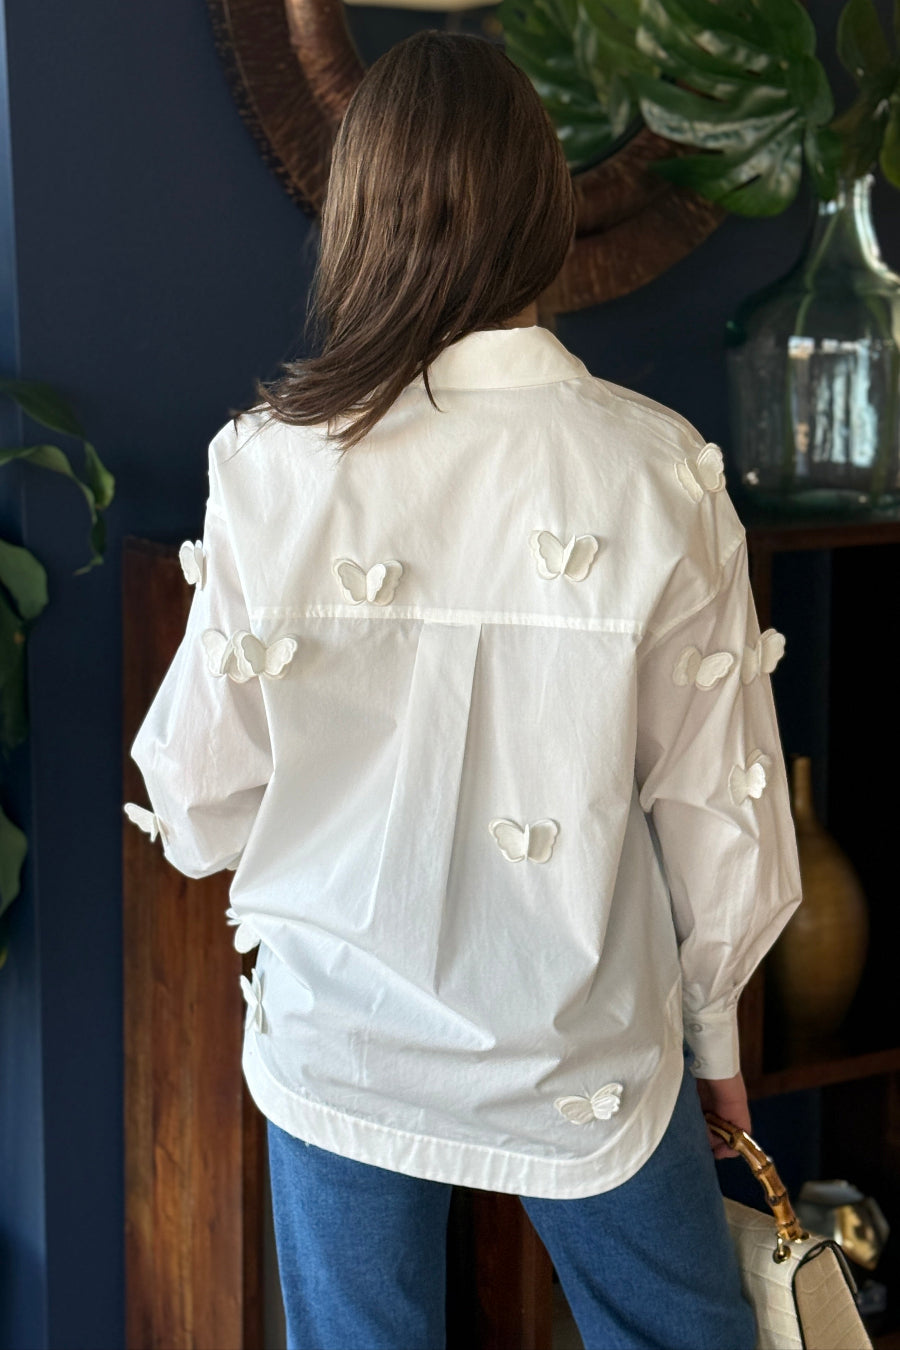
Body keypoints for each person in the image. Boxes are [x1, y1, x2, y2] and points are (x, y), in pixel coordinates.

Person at [127, 28, 802, 1350]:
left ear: (360, 217)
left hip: (342, 1039)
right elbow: (716, 802)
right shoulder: (655, 472)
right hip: (583, 1044)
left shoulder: (272, 466)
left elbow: (199, 801)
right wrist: (715, 1035)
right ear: (545, 212)